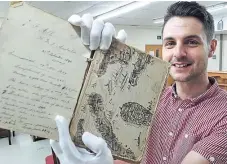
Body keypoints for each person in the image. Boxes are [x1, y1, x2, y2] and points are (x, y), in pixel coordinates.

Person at [50, 1, 227, 164]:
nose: (178, 53)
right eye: (170, 43)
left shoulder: (223, 116)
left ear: (211, 47)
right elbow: (128, 156)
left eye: (191, 42)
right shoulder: (151, 99)